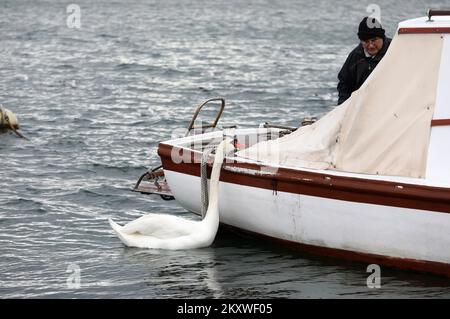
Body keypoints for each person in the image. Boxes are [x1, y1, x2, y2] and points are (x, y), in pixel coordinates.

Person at [337, 17, 391, 105]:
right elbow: (344, 84)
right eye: (366, 41)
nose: (371, 46)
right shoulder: (355, 56)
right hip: (362, 107)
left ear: (382, 37)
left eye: (374, 40)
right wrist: (343, 107)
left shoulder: (394, 51)